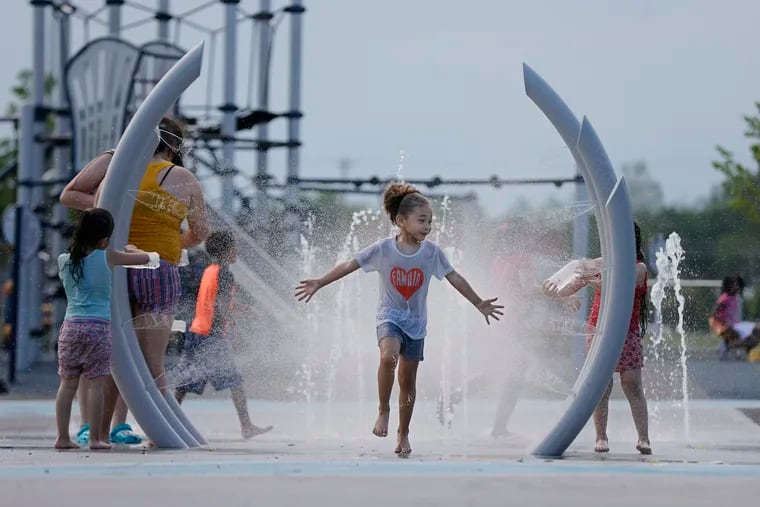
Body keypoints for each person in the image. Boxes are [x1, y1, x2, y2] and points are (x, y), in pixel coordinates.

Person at [295, 182, 504, 455]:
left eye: (430, 221)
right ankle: (383, 409)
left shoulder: (432, 253)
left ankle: (403, 433)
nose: (427, 226)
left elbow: (454, 277)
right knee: (387, 357)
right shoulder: (383, 249)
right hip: (389, 317)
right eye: (421, 220)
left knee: (407, 382)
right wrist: (320, 282)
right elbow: (351, 264)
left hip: (416, 324)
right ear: (401, 221)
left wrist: (478, 302)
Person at [59, 116, 209, 445]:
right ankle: (153, 431)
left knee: (107, 351)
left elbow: (69, 195)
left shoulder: (114, 162)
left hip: (113, 267)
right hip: (158, 272)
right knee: (146, 357)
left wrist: (110, 207)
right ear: (173, 147)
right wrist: (168, 244)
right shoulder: (180, 176)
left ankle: (96, 429)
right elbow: (200, 231)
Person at [543, 222, 651, 455]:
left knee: (632, 383)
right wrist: (556, 292)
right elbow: (565, 288)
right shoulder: (598, 264)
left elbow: (620, 286)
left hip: (627, 332)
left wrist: (589, 278)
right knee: (602, 386)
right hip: (599, 331)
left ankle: (644, 438)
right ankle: (601, 437)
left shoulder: (638, 267)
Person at [54, 208, 152, 450]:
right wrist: (132, 250)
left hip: (70, 327)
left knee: (67, 384)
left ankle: (63, 438)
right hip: (98, 328)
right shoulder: (109, 256)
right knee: (96, 383)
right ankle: (97, 438)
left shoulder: (64, 260)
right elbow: (147, 259)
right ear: (104, 238)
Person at [173, 229, 272, 439]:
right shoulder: (225, 273)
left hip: (197, 331)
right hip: (211, 335)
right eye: (234, 247)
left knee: (186, 381)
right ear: (227, 251)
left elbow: (216, 300)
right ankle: (247, 426)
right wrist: (237, 326)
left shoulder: (211, 270)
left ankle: (169, 419)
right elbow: (221, 306)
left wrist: (242, 310)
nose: (237, 251)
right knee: (234, 381)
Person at [709, 275, 760, 360]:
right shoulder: (724, 298)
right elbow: (714, 314)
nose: (738, 289)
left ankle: (737, 349)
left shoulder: (734, 297)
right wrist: (721, 325)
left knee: (756, 332)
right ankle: (726, 347)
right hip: (724, 325)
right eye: (736, 286)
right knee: (737, 333)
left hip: (735, 324)